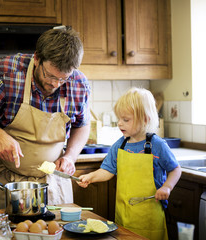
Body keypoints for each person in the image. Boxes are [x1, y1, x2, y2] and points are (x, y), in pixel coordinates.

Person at [0, 27, 91, 208]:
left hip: (53, 181)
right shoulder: (7, 73)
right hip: (9, 181)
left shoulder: (79, 84)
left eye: (63, 79)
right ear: (37, 58)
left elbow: (82, 126)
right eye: (49, 75)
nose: (54, 84)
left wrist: (70, 157)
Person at [77, 87, 181, 240]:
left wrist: (167, 187)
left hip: (150, 221)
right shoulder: (120, 145)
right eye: (119, 118)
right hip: (123, 218)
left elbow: (175, 170)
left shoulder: (157, 145)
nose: (119, 124)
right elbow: (107, 170)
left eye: (125, 120)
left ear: (145, 119)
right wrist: (90, 177)